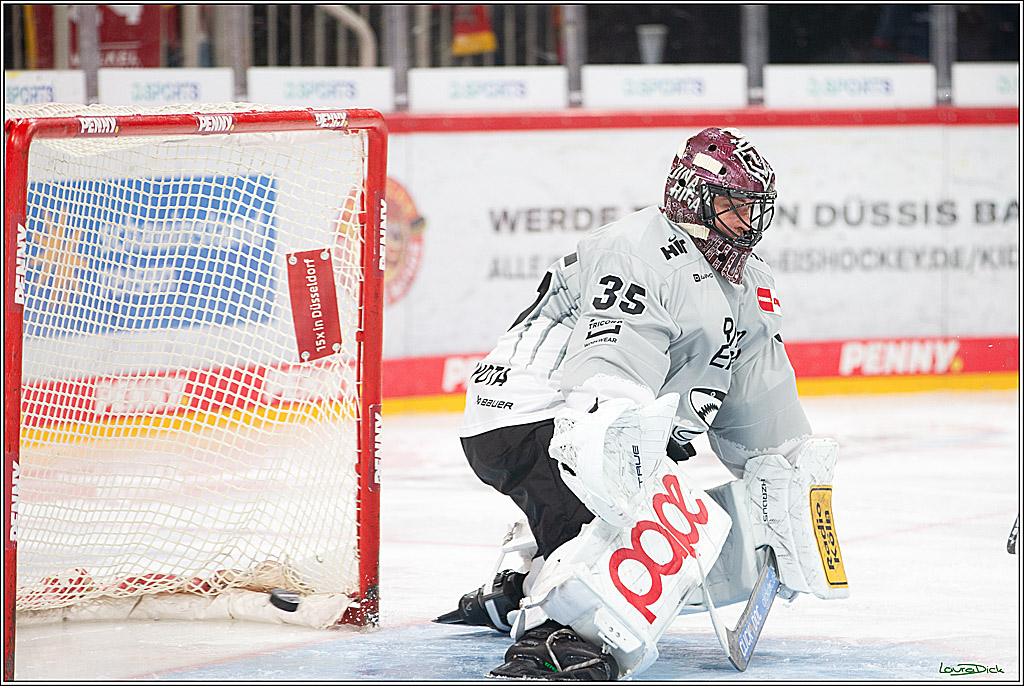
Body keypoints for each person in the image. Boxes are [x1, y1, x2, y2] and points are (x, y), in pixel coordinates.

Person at [436, 127, 849, 680]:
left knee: (686, 521)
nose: (746, 224)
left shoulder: (748, 282)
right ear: (693, 198)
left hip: (588, 422)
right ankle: (555, 636)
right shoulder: (636, 249)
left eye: (754, 209)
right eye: (732, 207)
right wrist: (633, 489)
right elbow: (607, 382)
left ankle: (518, 579)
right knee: (646, 526)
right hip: (526, 416)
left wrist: (787, 473)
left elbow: (758, 395)